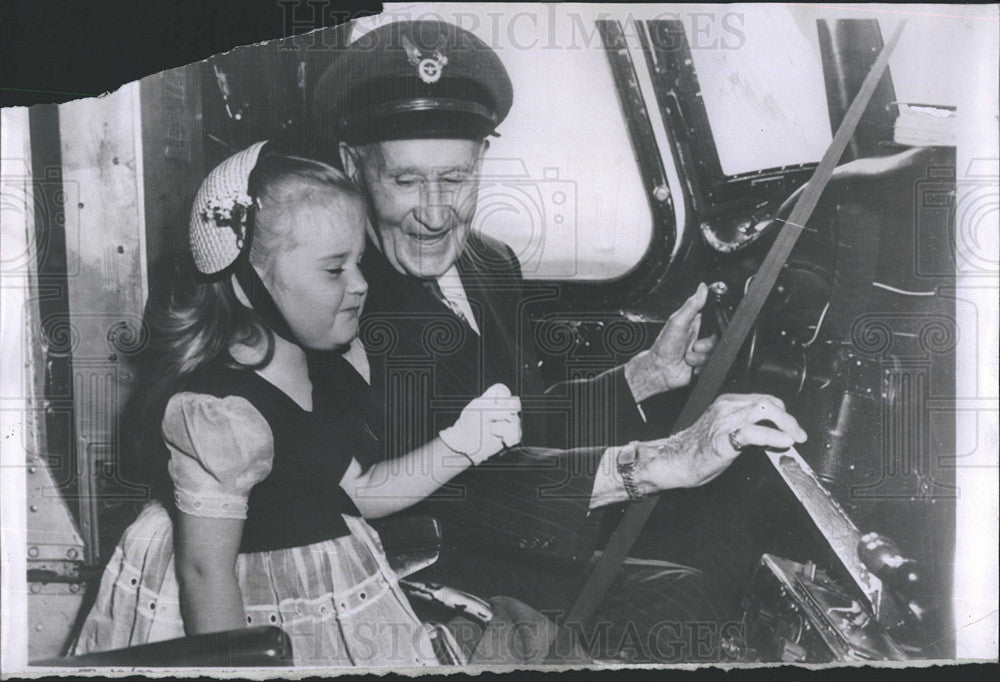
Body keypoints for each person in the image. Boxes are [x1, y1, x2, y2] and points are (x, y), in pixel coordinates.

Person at [309, 19, 807, 662]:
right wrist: (656, 463)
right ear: (353, 166)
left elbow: (521, 420)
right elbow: (449, 489)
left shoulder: (490, 262)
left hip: (521, 544)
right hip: (433, 580)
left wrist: (644, 376)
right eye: (405, 181)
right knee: (692, 603)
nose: (435, 214)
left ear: (483, 157)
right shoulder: (336, 302)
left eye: (456, 179)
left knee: (725, 568)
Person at [71, 143, 527, 667]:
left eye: (359, 263)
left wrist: (463, 443)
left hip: (320, 581)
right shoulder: (221, 412)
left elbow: (358, 491)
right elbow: (204, 572)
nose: (360, 284)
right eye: (335, 270)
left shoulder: (327, 367)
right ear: (248, 283)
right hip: (234, 611)